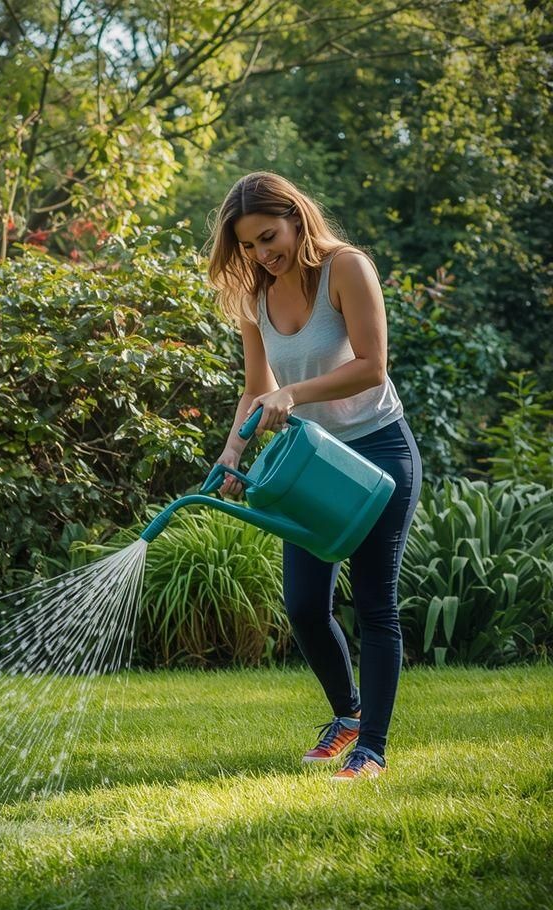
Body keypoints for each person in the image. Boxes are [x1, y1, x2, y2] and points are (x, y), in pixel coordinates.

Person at [207, 171, 422, 781]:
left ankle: (371, 749)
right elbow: (256, 389)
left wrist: (293, 393)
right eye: (248, 245)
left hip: (378, 449)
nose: (261, 255)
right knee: (304, 606)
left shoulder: (346, 268)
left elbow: (372, 367)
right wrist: (232, 454)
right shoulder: (255, 297)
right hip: (313, 461)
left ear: (296, 219)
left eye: (268, 237)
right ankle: (348, 714)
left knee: (375, 602)